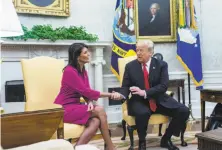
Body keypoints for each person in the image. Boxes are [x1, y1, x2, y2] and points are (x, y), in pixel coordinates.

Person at [119, 40, 190, 150]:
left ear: (150, 52)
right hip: (139, 101)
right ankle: (142, 142)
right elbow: (125, 86)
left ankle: (166, 138)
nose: (138, 53)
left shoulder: (161, 65)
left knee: (184, 110)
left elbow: (163, 86)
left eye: (141, 50)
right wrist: (122, 96)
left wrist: (146, 92)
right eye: (137, 50)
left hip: (158, 99)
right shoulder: (130, 66)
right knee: (142, 113)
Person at [54, 43, 121, 150]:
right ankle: (110, 147)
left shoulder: (83, 70)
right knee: (99, 110)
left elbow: (85, 91)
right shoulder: (69, 71)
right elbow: (86, 91)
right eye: (85, 52)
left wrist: (89, 102)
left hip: (75, 106)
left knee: (96, 121)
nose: (89, 54)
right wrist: (110, 94)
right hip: (64, 109)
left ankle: (77, 148)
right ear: (77, 56)